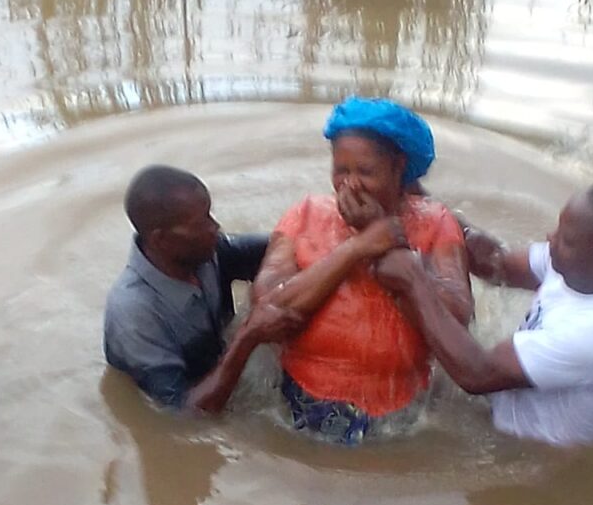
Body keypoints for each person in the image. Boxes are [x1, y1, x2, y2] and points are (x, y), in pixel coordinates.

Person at [253, 96, 472, 444]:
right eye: (341, 170)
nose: (350, 184)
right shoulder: (304, 214)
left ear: (399, 167)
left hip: (403, 411)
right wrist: (358, 247)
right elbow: (268, 308)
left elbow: (457, 317)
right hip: (304, 395)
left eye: (365, 172)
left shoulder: (436, 223)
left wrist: (390, 245)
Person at [371, 184, 593, 446]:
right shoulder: (583, 269)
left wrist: (414, 281)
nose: (550, 239)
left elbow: (476, 374)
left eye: (567, 240)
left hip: (538, 455)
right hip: (502, 408)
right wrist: (427, 206)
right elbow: (498, 266)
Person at [103, 165, 304, 413]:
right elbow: (183, 413)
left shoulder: (203, 253)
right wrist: (248, 337)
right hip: (194, 395)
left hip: (219, 359)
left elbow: (282, 246)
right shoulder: (134, 316)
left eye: (210, 215)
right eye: (200, 223)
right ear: (160, 239)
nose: (215, 227)